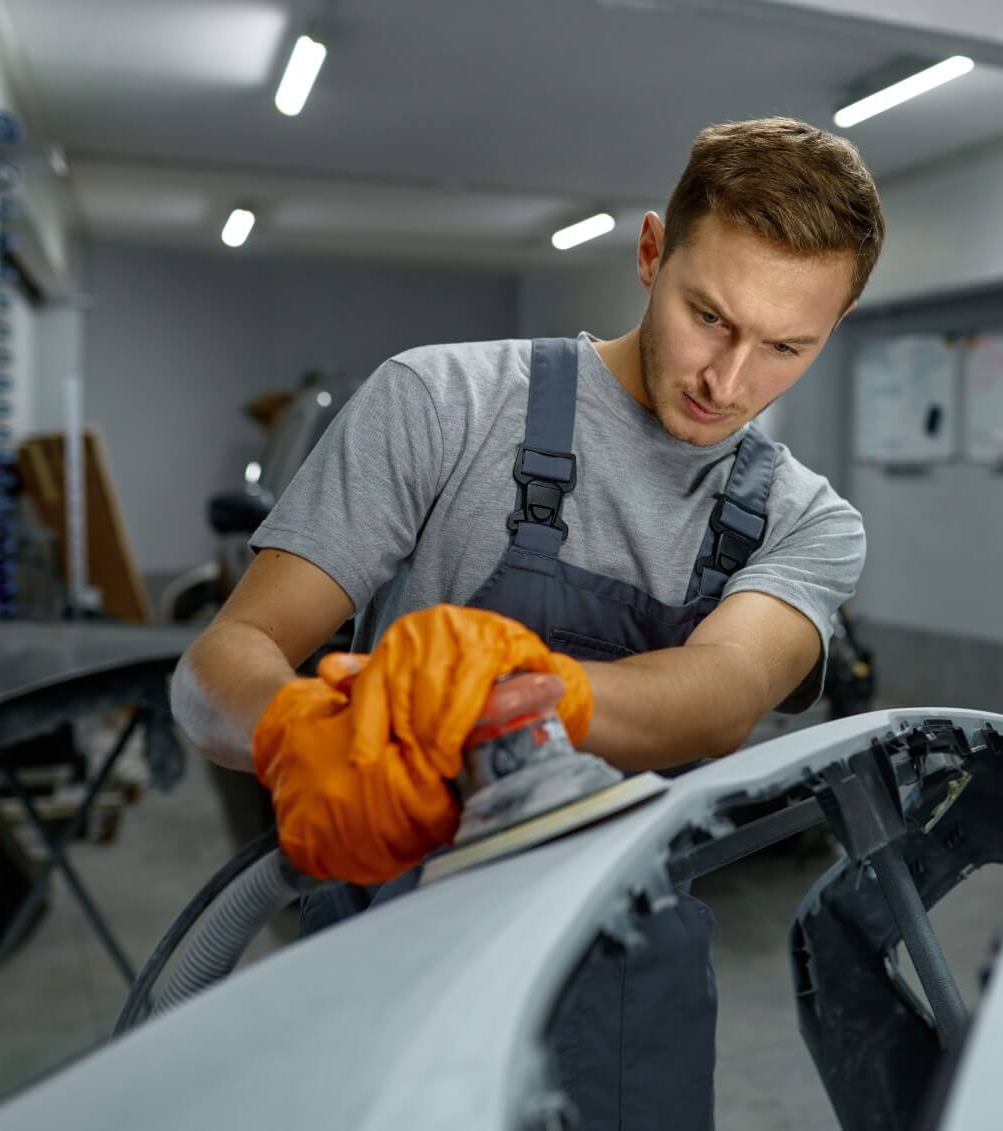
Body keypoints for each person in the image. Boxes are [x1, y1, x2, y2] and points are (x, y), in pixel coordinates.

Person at [171, 116, 885, 1130]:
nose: (728, 383)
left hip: (620, 963)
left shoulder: (807, 522)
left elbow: (723, 693)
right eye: (708, 318)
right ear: (649, 253)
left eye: (785, 347)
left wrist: (529, 694)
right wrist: (288, 731)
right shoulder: (443, 404)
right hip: (395, 937)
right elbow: (221, 660)